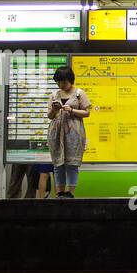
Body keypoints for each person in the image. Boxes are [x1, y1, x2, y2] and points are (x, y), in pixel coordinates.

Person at [46, 66, 91, 198]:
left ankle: (70, 192)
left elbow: (87, 112)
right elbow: (50, 115)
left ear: (70, 80)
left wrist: (71, 110)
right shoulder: (54, 95)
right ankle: (59, 192)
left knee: (72, 163)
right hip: (56, 132)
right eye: (58, 82)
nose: (61, 85)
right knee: (58, 163)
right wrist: (55, 110)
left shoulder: (79, 93)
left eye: (64, 82)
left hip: (74, 133)